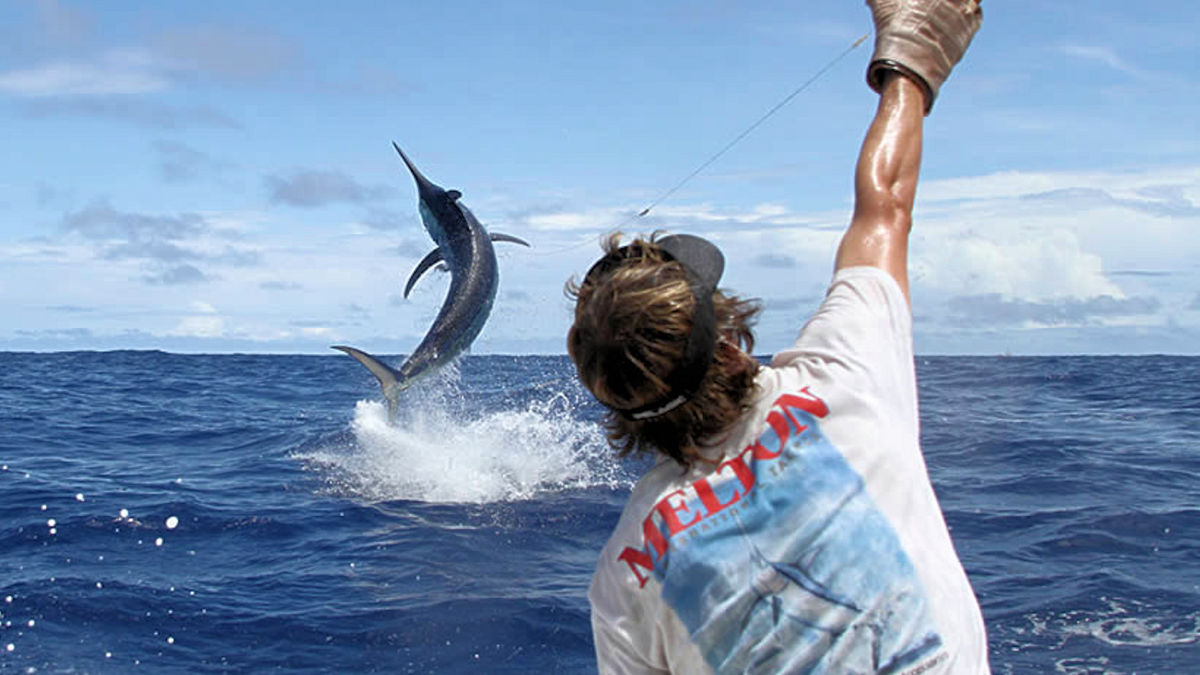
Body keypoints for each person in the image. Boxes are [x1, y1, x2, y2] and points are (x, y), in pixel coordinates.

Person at [566, 0, 988, 672]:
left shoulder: (623, 581)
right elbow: (885, 206)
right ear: (730, 343)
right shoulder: (845, 378)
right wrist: (913, 59)